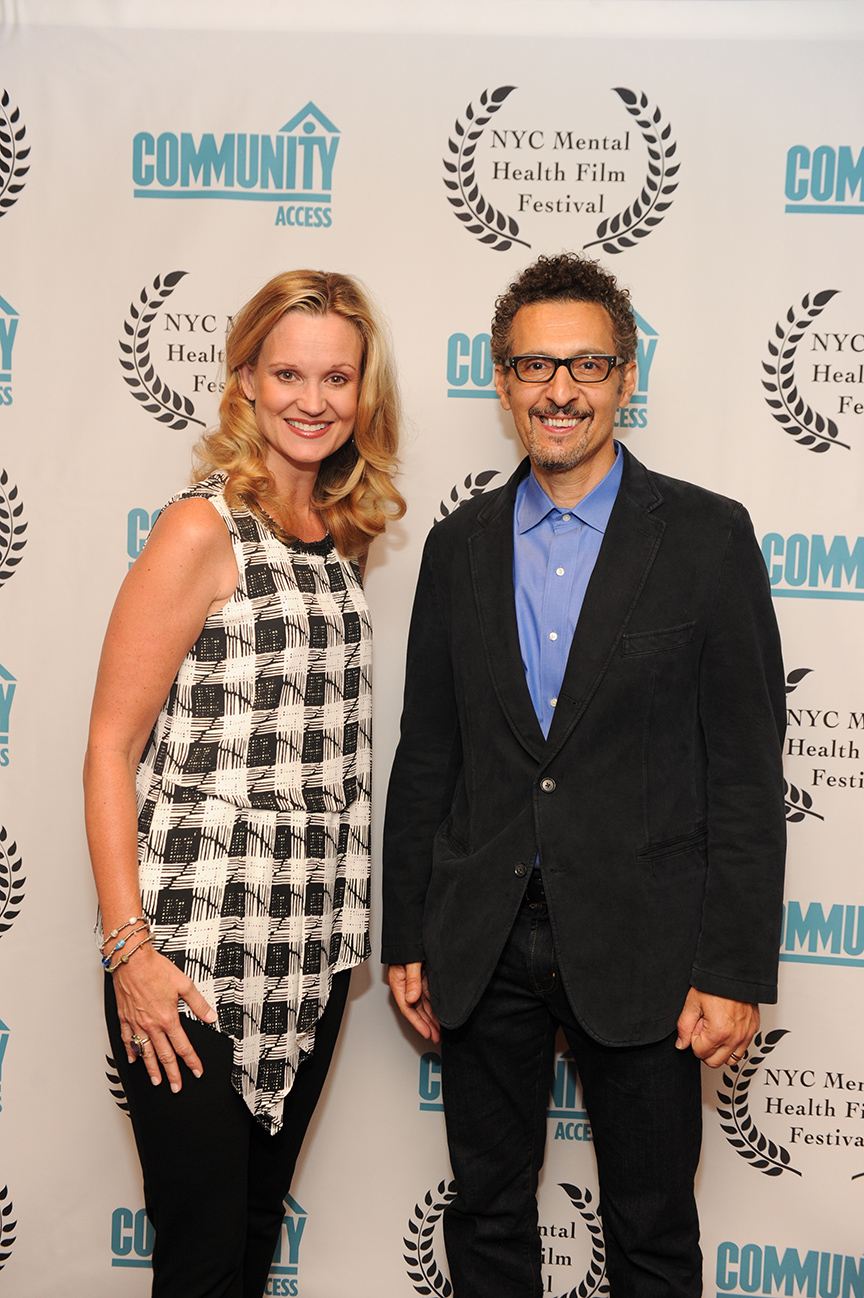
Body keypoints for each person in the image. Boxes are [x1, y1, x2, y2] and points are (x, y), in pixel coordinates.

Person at [383, 253, 785, 1297]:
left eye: (587, 364)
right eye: (535, 366)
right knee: (487, 1216)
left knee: (651, 1228)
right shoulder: (457, 546)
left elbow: (744, 769)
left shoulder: (707, 535)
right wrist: (408, 931)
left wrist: (735, 966)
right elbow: (431, 749)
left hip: (650, 943)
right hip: (483, 936)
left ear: (627, 374)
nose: (560, 389)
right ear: (502, 380)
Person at [84, 269, 404, 1298]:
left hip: (307, 959)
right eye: (287, 373)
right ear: (246, 384)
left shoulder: (336, 539)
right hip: (191, 964)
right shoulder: (199, 528)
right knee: (203, 1257)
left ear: (364, 393)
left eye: (337, 377)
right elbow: (107, 746)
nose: (313, 399)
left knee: (251, 1245)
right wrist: (130, 948)